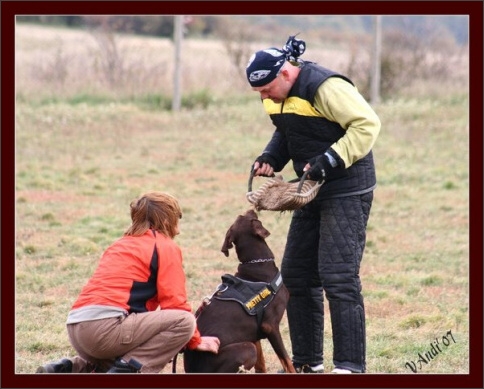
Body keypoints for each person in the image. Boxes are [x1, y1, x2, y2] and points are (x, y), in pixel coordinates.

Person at [246, 35, 381, 374]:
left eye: (266, 89)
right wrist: (271, 156)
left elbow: (367, 125)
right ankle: (307, 364)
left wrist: (331, 159)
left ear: (286, 75)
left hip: (347, 185)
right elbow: (288, 129)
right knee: (297, 275)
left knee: (338, 276)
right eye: (258, 93)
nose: (263, 97)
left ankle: (349, 367)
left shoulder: (324, 87)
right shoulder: (273, 95)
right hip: (310, 187)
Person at [36, 192, 220, 373]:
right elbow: (175, 304)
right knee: (184, 322)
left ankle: (70, 368)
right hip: (104, 330)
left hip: (77, 329)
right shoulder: (164, 246)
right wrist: (195, 341)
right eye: (177, 220)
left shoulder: (120, 244)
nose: (178, 230)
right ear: (166, 221)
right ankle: (127, 374)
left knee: (132, 352)